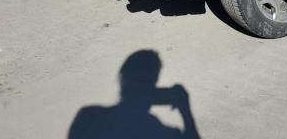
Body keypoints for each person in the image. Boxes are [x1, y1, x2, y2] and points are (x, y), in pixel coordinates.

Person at [69, 50, 199, 139]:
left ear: (122, 78)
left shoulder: (89, 118)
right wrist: (186, 112)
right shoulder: (158, 132)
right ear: (153, 87)